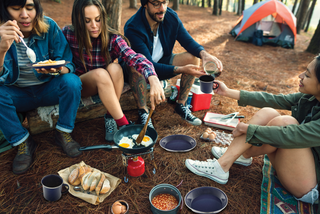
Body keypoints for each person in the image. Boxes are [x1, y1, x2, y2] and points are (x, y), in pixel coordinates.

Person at [185, 56, 320, 205]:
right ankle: (237, 156)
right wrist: (228, 92)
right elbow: (273, 99)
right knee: (269, 112)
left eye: (307, 75)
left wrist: (248, 128)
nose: (300, 76)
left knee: (285, 123)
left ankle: (226, 162)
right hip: (298, 161)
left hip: (310, 184)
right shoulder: (310, 98)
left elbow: (293, 135)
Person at [62, 0, 165, 141]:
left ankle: (110, 116)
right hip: (81, 85)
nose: (94, 26)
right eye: (87, 21)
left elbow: (133, 57)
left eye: (98, 20)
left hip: (106, 86)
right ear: (78, 21)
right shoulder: (68, 34)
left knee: (115, 68)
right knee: (101, 73)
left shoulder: (112, 39)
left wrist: (152, 77)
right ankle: (124, 125)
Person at [0, 0, 83, 174]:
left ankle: (63, 132)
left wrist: (59, 68)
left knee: (72, 81)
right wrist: (1, 49)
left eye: (30, 7)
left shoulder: (49, 26)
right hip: (18, 94)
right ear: (5, 11)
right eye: (16, 9)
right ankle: (22, 141)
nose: (24, 14)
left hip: (47, 88)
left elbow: (68, 63)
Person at [121, 0, 223, 128]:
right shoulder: (133, 27)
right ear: (145, 3)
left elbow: (188, 41)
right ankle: (143, 112)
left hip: (162, 63)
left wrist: (205, 55)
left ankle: (181, 105)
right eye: (156, 4)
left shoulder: (170, 16)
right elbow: (147, 66)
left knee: (192, 58)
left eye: (164, 2)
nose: (162, 8)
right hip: (139, 72)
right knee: (137, 65)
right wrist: (181, 69)